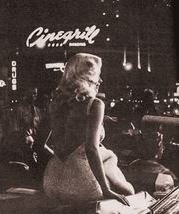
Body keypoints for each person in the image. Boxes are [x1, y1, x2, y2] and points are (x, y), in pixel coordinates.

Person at [43, 53, 134, 206]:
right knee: (129, 192)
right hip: (81, 183)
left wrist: (65, 161)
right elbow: (91, 149)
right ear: (88, 77)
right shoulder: (95, 104)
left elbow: (39, 145)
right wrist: (106, 189)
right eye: (98, 74)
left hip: (52, 181)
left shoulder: (54, 104)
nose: (101, 80)